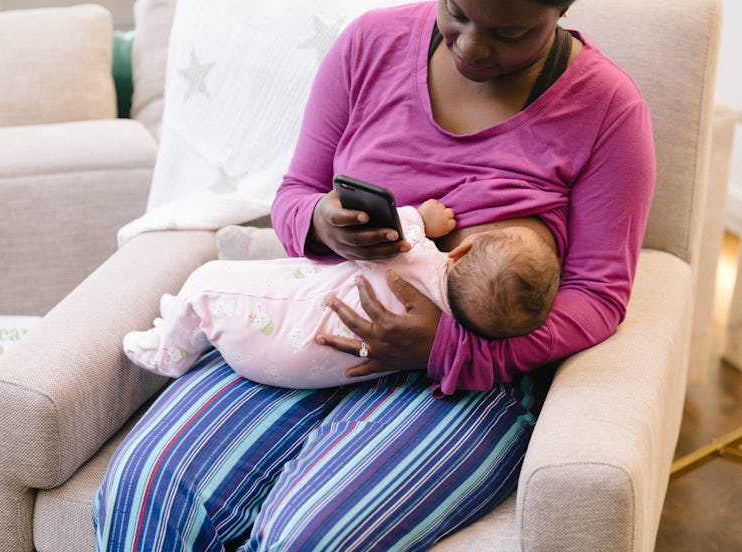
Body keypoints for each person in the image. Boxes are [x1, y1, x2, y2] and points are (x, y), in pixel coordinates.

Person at [94, 1, 655, 550]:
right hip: (310, 317)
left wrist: (445, 347)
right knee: (145, 495)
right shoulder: (370, 43)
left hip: (464, 377)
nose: (473, 48)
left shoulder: (607, 108)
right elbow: (295, 195)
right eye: (457, 13)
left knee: (307, 538)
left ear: (559, 9)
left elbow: (597, 296)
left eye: (509, 34)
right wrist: (321, 223)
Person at [122, 199, 560, 388]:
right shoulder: (454, 328)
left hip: (268, 343)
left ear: (461, 249)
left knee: (207, 282)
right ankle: (189, 320)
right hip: (309, 372)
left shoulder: (417, 258)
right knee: (277, 282)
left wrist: (424, 218)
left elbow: (401, 230)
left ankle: (169, 349)